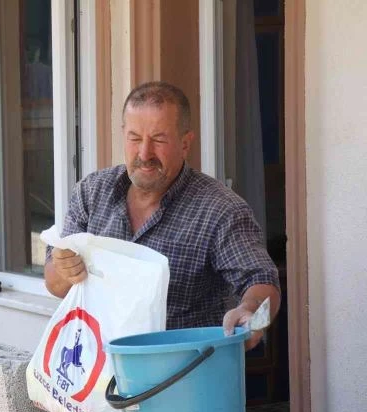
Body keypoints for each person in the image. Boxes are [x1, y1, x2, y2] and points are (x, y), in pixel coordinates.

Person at [45, 81, 280, 349]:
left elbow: (261, 282)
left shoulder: (220, 209)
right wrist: (64, 269)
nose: (144, 153)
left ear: (185, 143)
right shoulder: (92, 192)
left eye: (158, 139)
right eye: (135, 138)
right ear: (123, 135)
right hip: (97, 371)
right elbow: (55, 283)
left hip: (183, 374)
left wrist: (249, 312)